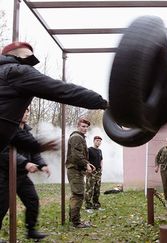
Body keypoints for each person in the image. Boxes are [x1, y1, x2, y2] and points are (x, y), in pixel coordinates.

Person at [0, 41, 108, 154]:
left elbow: (7, 124)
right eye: (28, 56)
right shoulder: (17, 71)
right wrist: (101, 102)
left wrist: (36, 147)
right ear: (18, 55)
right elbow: (62, 90)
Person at [0, 108, 50, 240]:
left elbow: (34, 153)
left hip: (21, 176)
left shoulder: (27, 132)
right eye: (23, 110)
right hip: (5, 175)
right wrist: (25, 163)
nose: (25, 113)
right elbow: (4, 152)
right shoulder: (7, 129)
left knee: (33, 200)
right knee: (1, 207)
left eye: (27, 111)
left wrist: (42, 165)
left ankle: (31, 230)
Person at [66, 118, 95, 228]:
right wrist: (86, 164)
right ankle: (76, 222)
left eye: (87, 127)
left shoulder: (80, 137)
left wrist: (87, 163)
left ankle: (73, 219)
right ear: (78, 126)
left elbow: (80, 155)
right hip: (74, 170)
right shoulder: (77, 137)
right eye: (83, 126)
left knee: (76, 194)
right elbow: (76, 154)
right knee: (78, 195)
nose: (85, 129)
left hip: (76, 169)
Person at [85, 136, 104, 211]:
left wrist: (102, 167)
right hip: (91, 172)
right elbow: (86, 160)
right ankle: (88, 206)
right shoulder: (89, 150)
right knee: (89, 189)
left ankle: (96, 205)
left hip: (98, 172)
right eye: (97, 140)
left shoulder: (100, 151)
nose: (98, 142)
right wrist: (88, 167)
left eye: (99, 141)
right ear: (94, 141)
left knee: (97, 189)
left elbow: (101, 159)